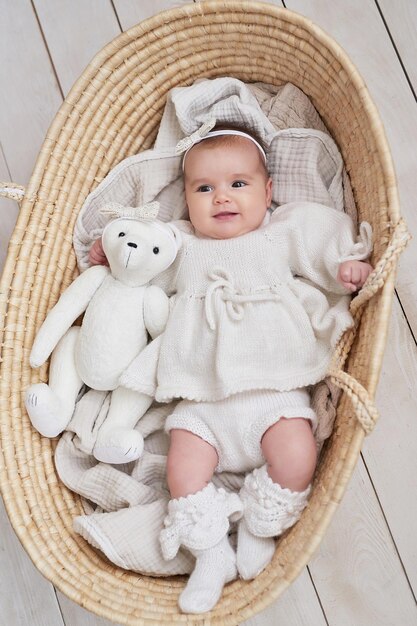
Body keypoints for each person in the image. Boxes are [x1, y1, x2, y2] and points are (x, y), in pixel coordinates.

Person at [89, 127, 373, 614]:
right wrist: (111, 253)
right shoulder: (179, 244)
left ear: (268, 192)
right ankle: (211, 552)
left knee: (297, 457)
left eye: (238, 184)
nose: (221, 196)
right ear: (186, 199)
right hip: (201, 405)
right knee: (182, 472)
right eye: (204, 188)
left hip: (274, 394)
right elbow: (136, 256)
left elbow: (323, 239)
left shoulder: (281, 230)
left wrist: (346, 265)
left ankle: (262, 523)